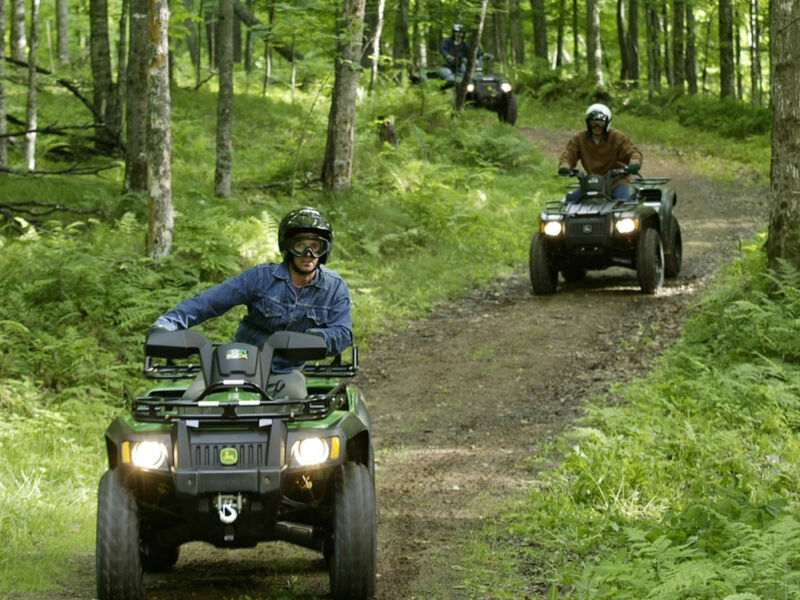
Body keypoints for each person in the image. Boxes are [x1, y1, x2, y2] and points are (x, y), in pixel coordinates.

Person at [149, 206, 352, 400]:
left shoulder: (334, 288)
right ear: (288, 247)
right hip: (238, 364)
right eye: (300, 245)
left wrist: (314, 339)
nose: (308, 253)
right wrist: (167, 324)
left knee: (297, 408)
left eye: (316, 247)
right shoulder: (260, 277)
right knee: (192, 403)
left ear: (325, 250)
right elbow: (208, 302)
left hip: (284, 372)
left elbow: (343, 333)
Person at [557, 103, 643, 202]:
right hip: (592, 183)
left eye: (601, 123)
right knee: (568, 202)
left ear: (607, 123)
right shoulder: (579, 138)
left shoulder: (616, 137)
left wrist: (634, 163)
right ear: (588, 123)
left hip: (616, 181)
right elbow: (568, 155)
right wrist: (565, 166)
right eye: (593, 123)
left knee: (623, 204)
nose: (597, 127)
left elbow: (633, 152)